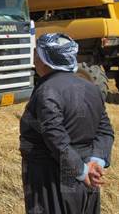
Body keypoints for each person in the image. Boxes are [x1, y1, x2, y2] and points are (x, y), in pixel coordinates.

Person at [20, 33, 114, 214]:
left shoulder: (46, 91)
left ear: (43, 59)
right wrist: (96, 162)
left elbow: (55, 138)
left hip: (51, 180)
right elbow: (105, 130)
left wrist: (80, 170)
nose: (33, 57)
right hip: (87, 177)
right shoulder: (91, 88)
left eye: (35, 52)